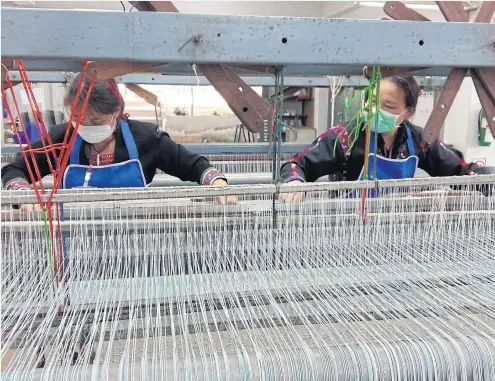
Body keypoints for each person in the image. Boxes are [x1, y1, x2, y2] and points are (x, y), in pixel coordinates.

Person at [2, 74, 237, 207]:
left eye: (95, 121)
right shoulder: (62, 138)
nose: (84, 127)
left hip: (134, 242)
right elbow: (15, 167)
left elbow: (193, 165)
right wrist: (23, 195)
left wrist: (217, 183)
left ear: (116, 111)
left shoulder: (146, 138)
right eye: (76, 118)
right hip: (75, 243)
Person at [280, 75, 493, 202]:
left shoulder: (420, 140)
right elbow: (296, 165)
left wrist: (489, 180)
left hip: (394, 230)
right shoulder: (345, 137)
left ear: (408, 113)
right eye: (371, 101)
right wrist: (294, 182)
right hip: (344, 229)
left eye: (388, 106)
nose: (375, 110)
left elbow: (462, 171)